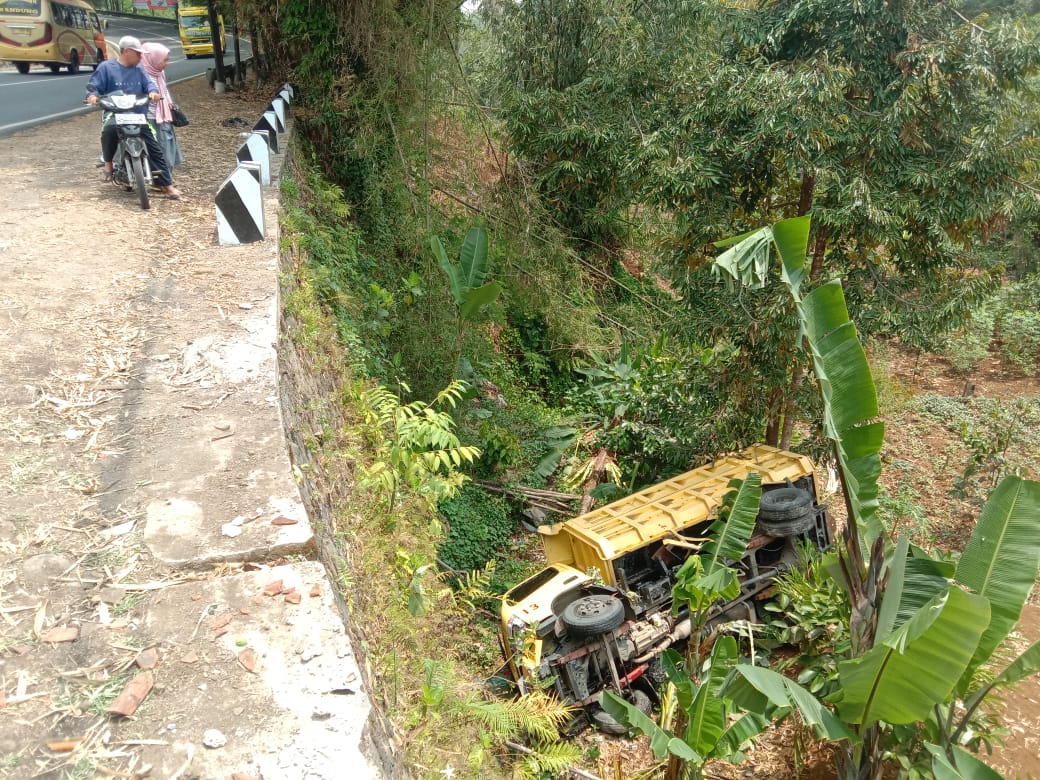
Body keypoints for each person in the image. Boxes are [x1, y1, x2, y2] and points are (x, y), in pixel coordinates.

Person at [85, 35, 181, 200]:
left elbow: (150, 85)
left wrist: (153, 93)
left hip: (138, 116)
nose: (141, 57)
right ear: (127, 51)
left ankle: (168, 186)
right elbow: (93, 86)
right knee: (108, 133)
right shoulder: (106, 67)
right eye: (138, 53)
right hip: (115, 114)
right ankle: (108, 165)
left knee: (155, 148)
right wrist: (93, 96)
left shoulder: (140, 70)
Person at [140, 42, 184, 182]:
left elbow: (164, 89)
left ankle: (166, 177)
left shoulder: (159, 72)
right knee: (159, 149)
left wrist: (170, 105)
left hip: (164, 114)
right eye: (164, 60)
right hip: (151, 117)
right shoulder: (141, 73)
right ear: (153, 60)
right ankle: (160, 180)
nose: (166, 63)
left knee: (168, 146)